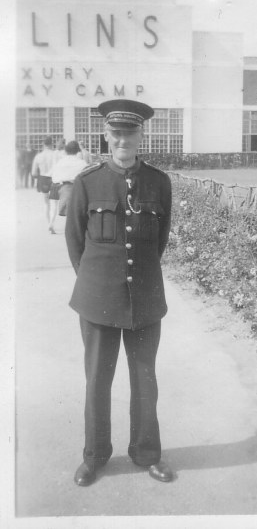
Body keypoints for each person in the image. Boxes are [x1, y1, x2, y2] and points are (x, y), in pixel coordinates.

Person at [65, 99, 173, 487]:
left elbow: (159, 239)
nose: (122, 139)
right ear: (106, 136)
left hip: (145, 297)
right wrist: (96, 283)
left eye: (130, 133)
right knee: (97, 379)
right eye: (116, 133)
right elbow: (75, 240)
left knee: (145, 379)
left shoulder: (159, 182)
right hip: (97, 298)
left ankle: (147, 454)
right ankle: (94, 456)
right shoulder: (88, 181)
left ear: (141, 136)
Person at [48, 140, 88, 232]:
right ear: (78, 151)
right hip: (69, 186)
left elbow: (53, 173)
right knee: (70, 207)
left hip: (55, 184)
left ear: (66, 150)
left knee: (53, 206)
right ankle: (70, 227)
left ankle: (51, 223)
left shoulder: (60, 161)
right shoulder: (81, 163)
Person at [31, 137, 57, 232]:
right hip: (53, 179)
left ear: (43, 144)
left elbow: (33, 173)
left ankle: (48, 224)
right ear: (51, 144)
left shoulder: (38, 156)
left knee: (46, 204)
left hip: (42, 179)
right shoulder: (55, 155)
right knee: (54, 203)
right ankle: (51, 224)